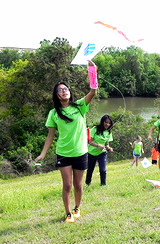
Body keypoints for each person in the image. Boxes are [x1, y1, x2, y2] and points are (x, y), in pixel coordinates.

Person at [35, 60, 98, 223]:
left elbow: (93, 91)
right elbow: (50, 136)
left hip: (81, 152)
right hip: (63, 153)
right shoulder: (53, 113)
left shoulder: (79, 106)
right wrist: (42, 154)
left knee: (78, 185)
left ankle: (77, 208)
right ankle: (68, 212)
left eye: (65, 89)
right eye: (60, 91)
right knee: (67, 185)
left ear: (69, 92)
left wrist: (93, 72)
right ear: (56, 96)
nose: (64, 91)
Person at [85, 115, 114, 186]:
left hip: (102, 153)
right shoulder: (95, 129)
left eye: (109, 123)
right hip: (91, 153)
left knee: (103, 170)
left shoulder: (108, 132)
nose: (107, 124)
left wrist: (108, 147)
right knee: (90, 170)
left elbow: (107, 144)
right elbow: (89, 142)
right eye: (106, 122)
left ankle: (103, 184)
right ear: (102, 122)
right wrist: (98, 146)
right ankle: (88, 183)